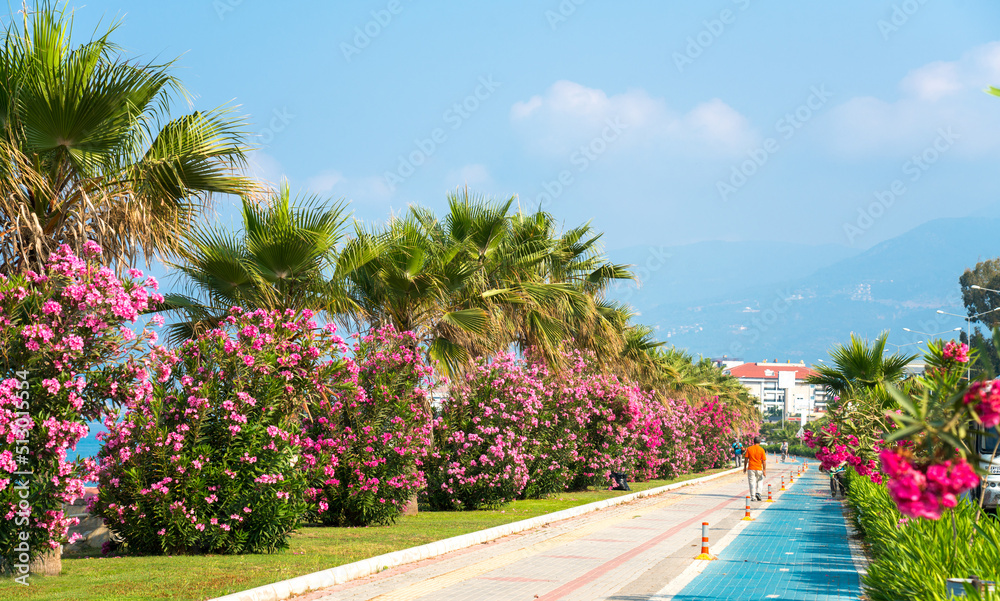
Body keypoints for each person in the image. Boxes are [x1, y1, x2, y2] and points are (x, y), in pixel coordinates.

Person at [744, 436, 767, 501]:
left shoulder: (749, 449)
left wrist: (745, 467)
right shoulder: (761, 449)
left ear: (753, 442)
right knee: (760, 480)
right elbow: (764, 461)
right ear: (760, 442)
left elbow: (746, 459)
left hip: (751, 468)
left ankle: (753, 496)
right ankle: (758, 493)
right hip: (759, 468)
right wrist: (764, 470)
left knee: (752, 482)